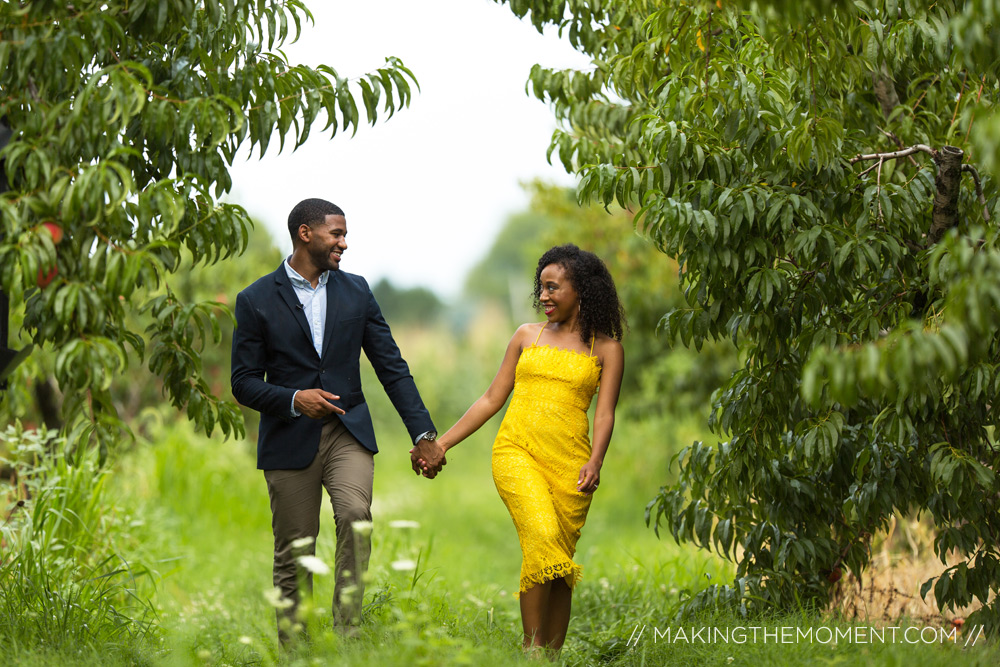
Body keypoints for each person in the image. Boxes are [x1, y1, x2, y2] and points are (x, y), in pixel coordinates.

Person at [230, 198, 447, 640]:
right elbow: (243, 382)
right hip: (289, 438)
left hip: (348, 431)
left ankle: (348, 635)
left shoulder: (357, 290)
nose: (344, 243)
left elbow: (391, 366)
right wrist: (294, 398)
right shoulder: (254, 300)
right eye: (337, 234)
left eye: (345, 234)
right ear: (305, 234)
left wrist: (424, 433)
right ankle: (296, 648)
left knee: (354, 515)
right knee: (295, 548)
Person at [422, 243, 625, 654]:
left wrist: (596, 460)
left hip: (571, 465)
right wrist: (439, 443)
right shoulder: (526, 336)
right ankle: (531, 649)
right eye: (541, 288)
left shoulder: (606, 349)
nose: (544, 296)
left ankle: (551, 656)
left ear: (581, 290)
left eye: (553, 288)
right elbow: (491, 398)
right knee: (542, 535)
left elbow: (604, 415)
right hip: (517, 452)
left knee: (558, 565)